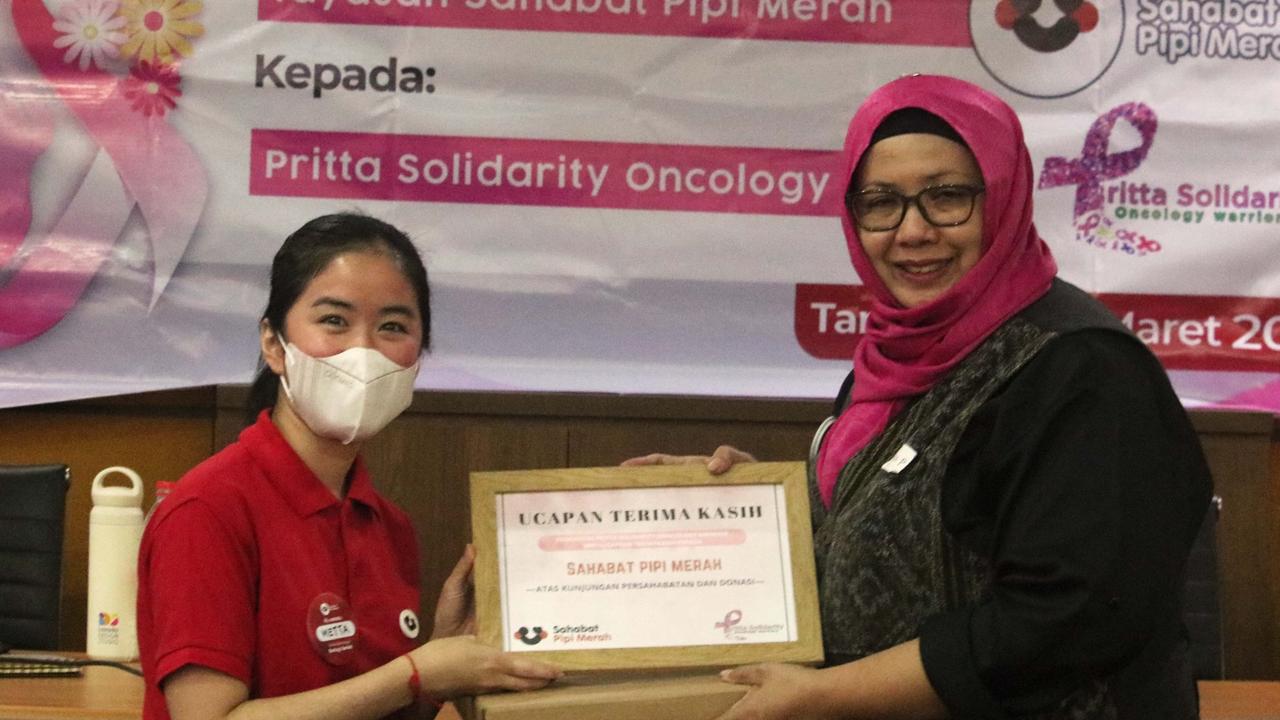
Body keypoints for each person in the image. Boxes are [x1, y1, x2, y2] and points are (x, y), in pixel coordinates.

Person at [625, 75, 1213, 719]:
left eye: (947, 197)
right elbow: (890, 526)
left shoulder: (1082, 369)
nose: (912, 231)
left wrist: (823, 695)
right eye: (881, 202)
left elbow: (1065, 619)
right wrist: (747, 506)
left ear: (1003, 198)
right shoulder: (897, 355)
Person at [137, 213, 561, 720]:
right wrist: (416, 673)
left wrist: (441, 653)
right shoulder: (208, 509)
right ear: (273, 344)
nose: (363, 351)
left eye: (392, 327)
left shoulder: (389, 526)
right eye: (334, 321)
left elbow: (380, 708)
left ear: (418, 358)